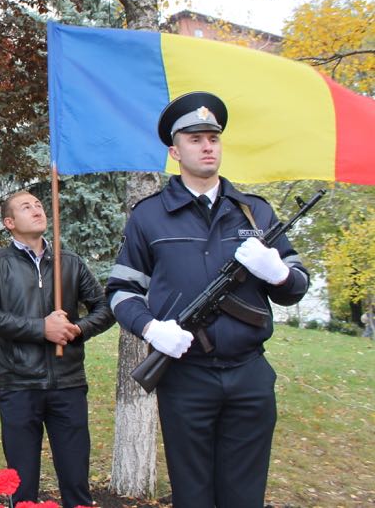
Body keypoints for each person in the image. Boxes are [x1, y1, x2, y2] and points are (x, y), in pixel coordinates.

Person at [106, 91, 310, 508]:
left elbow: (297, 286)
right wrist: (150, 328)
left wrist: (279, 272)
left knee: (244, 494)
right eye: (195, 138)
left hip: (249, 374)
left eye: (213, 138)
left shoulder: (255, 213)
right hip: (186, 377)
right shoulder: (149, 215)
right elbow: (122, 291)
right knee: (193, 493)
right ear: (174, 150)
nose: (206, 146)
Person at [0, 190, 114, 507]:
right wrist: (40, 328)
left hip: (69, 384)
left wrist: (78, 329)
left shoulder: (70, 263)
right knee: (22, 489)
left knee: (76, 484)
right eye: (25, 206)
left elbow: (105, 308)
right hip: (18, 385)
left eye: (38, 204)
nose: (36, 209)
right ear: (9, 222)